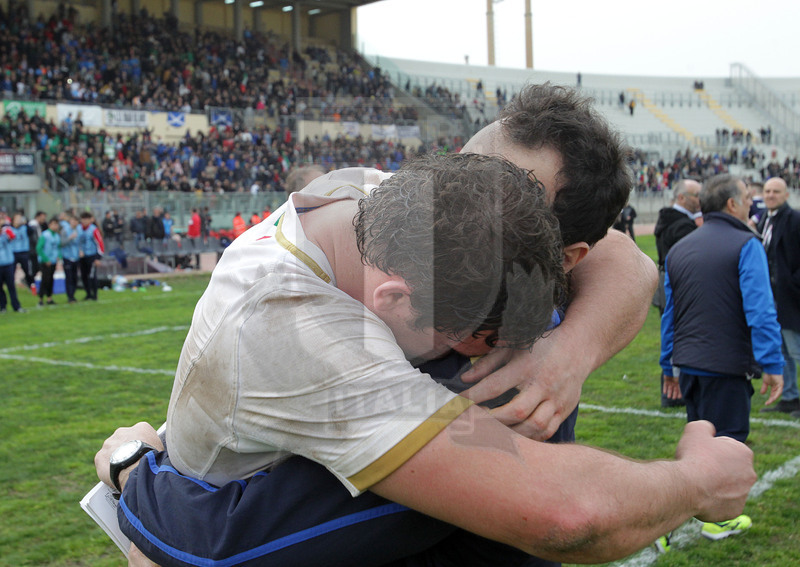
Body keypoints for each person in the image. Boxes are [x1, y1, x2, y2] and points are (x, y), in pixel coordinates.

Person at [97, 155, 756, 567]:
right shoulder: (309, 336)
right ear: (394, 297)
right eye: (479, 334)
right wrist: (698, 481)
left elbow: (620, 258)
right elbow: (564, 511)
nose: (498, 352)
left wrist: (566, 351)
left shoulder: (394, 202)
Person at [659, 174, 783, 546]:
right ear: (732, 204)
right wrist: (773, 364)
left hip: (690, 364)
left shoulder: (680, 248)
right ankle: (688, 520)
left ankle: (674, 519)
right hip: (725, 365)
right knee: (726, 448)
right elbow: (760, 311)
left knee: (698, 449)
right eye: (747, 197)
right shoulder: (746, 244)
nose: (751, 203)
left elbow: (670, 315)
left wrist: (669, 364)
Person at [653, 179, 702, 407]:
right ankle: (672, 392)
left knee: (672, 331)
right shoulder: (682, 225)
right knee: (677, 332)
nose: (700, 200)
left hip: (666, 280)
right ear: (681, 198)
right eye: (696, 195)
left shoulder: (670, 219)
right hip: (678, 284)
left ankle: (671, 390)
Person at [757, 177, 800, 417]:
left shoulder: (794, 219)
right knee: (782, 350)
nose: (771, 195)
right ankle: (791, 397)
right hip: (774, 299)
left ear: (786, 195)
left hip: (791, 298)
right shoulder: (766, 219)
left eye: (776, 191)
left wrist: (793, 285)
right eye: (767, 191)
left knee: (795, 349)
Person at [0, 211, 26, 313]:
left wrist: (4, 228)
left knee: (11, 286)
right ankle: (3, 306)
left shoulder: (6, 231)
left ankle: (16, 306)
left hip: (8, 263)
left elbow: (12, 237)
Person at [77, 211, 105, 301]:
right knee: (84, 276)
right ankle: (88, 294)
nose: (85, 221)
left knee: (92, 276)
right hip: (82, 256)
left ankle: (94, 294)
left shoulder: (94, 229)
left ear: (90, 220)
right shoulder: (78, 228)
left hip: (92, 256)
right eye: (83, 219)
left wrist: (98, 258)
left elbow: (100, 244)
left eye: (86, 219)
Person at [36, 216, 62, 306]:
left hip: (53, 261)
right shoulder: (45, 235)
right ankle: (40, 298)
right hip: (45, 261)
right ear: (50, 225)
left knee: (51, 279)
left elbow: (58, 248)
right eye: (53, 224)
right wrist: (45, 259)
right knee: (45, 280)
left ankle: (49, 298)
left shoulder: (57, 236)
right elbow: (39, 248)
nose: (55, 226)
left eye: (56, 224)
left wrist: (59, 257)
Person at [10, 212, 35, 291]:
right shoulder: (9, 228)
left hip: (24, 252)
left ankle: (31, 285)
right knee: (11, 272)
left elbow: (32, 231)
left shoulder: (25, 227)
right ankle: (11, 287)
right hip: (13, 253)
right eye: (17, 218)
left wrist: (26, 223)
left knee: (27, 270)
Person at [60, 214, 80, 303]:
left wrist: (81, 250)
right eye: (73, 220)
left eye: (76, 221)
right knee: (69, 277)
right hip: (67, 256)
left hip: (76, 257)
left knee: (75, 277)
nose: (74, 222)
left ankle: (73, 295)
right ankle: (70, 296)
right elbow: (61, 243)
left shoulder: (79, 230)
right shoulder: (65, 230)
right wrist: (70, 238)